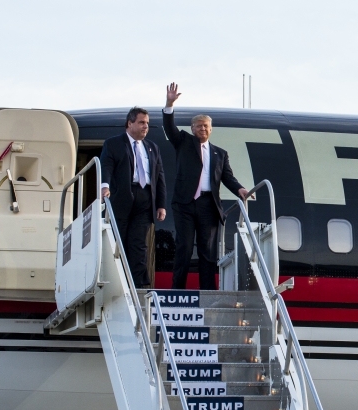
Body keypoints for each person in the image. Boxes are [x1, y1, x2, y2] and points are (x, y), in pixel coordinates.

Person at [162, 83, 251, 290]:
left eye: (206, 126)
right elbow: (169, 128)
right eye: (199, 126)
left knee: (208, 252)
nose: (203, 128)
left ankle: (208, 291)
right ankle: (178, 290)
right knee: (184, 248)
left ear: (211, 129)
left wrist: (240, 190)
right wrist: (169, 104)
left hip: (208, 205)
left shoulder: (220, 153)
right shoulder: (183, 142)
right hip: (185, 204)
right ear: (192, 129)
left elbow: (227, 177)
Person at [99, 107, 167, 288]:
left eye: (147, 123)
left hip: (145, 199)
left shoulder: (152, 148)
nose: (146, 127)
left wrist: (161, 204)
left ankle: (138, 285)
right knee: (119, 240)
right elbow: (106, 166)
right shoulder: (113, 144)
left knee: (139, 244)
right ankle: (117, 282)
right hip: (122, 197)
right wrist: (104, 186)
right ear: (130, 123)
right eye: (142, 122)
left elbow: (159, 177)